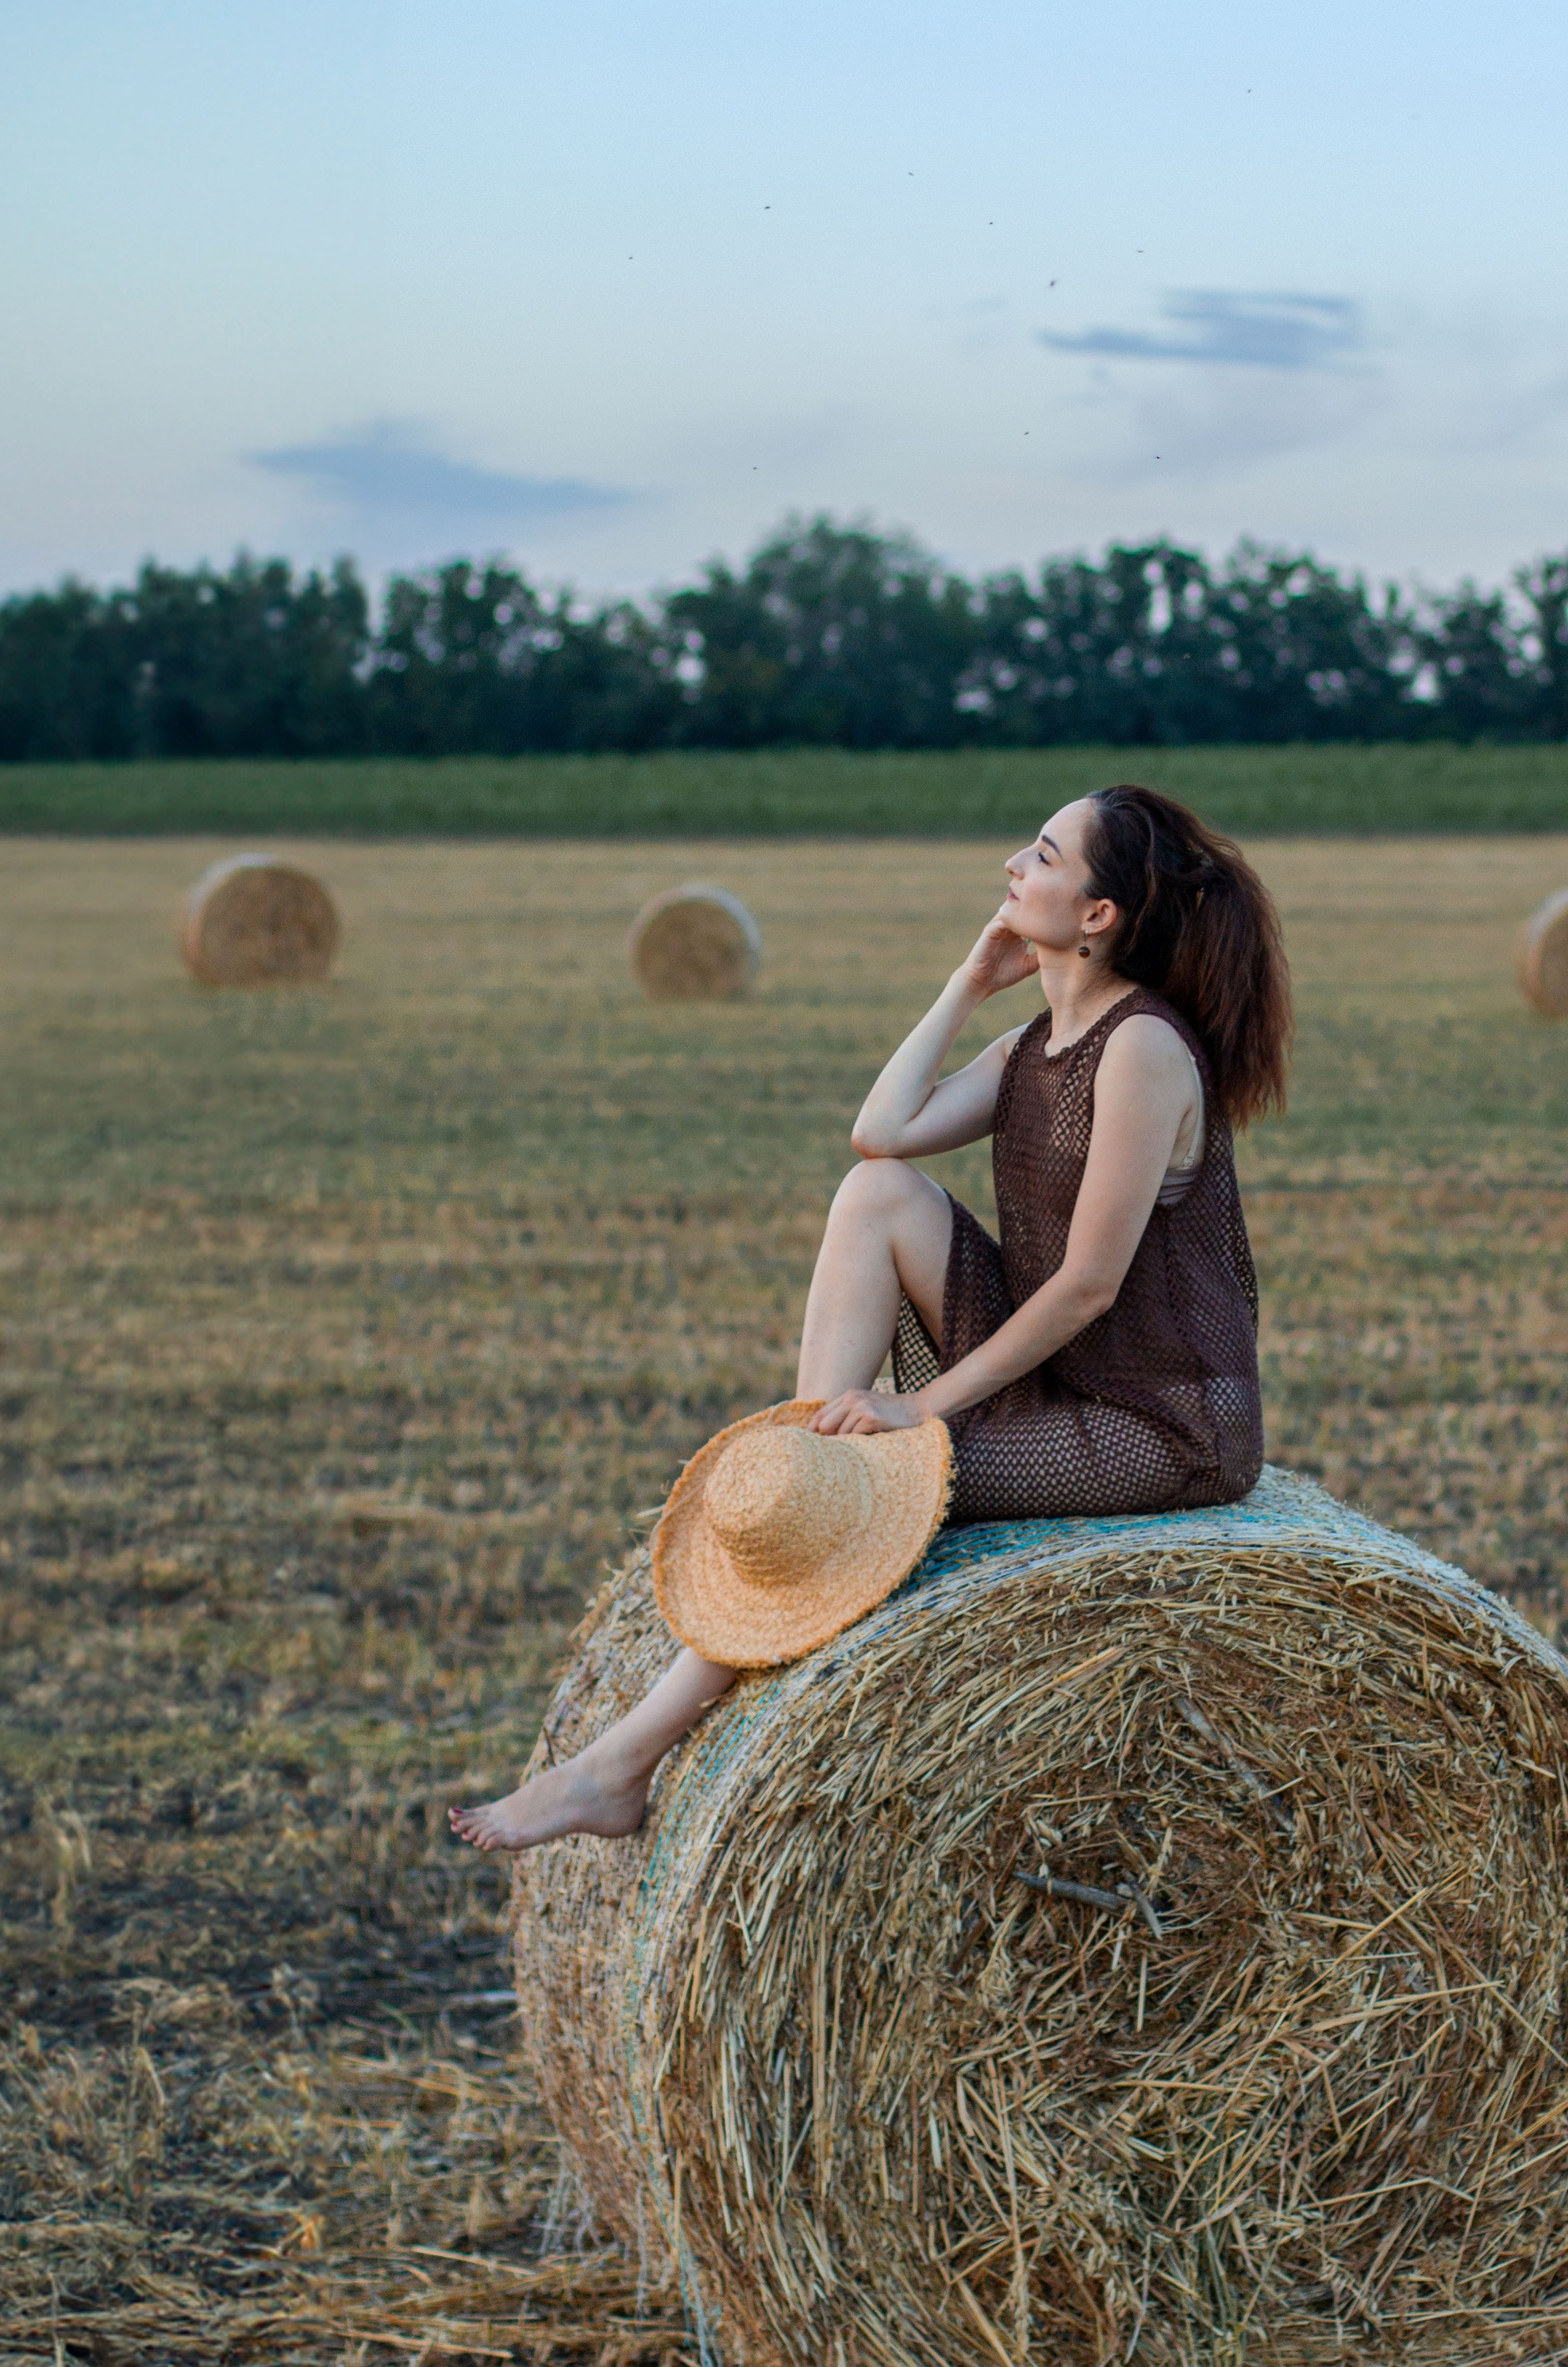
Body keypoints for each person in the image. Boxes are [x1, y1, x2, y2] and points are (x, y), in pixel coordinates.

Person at [450, 782, 1291, 1857]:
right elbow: (879, 1132)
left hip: (1155, 1421)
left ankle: (618, 1765)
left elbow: (1088, 1284)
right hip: (1063, 1381)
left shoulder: (1142, 1051)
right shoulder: (1035, 1045)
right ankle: (800, 1458)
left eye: (1040, 854)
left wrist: (922, 1407)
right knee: (878, 1197)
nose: (1010, 867)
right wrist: (966, 983)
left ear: (1099, 915)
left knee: (865, 1491)